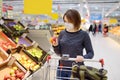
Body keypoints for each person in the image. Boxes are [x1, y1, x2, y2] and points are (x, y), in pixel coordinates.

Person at [51, 9, 94, 80]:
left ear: (76, 21)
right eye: (65, 21)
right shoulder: (62, 33)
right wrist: (56, 46)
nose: (66, 24)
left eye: (69, 22)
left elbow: (91, 53)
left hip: (76, 69)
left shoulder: (84, 35)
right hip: (62, 68)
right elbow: (59, 53)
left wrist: (83, 57)